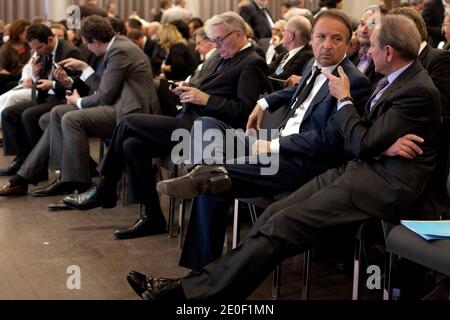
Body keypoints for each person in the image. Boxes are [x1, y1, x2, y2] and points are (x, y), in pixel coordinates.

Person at [127, 14, 442, 301]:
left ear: (388, 52)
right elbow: (365, 136)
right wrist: (380, 144)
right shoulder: (389, 79)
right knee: (266, 211)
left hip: (370, 182)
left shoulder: (395, 87)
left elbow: (353, 141)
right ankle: (203, 280)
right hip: (355, 167)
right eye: (320, 37)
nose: (365, 50)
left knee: (271, 219)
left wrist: (352, 115)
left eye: (368, 45)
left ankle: (190, 292)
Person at [156, 10, 371, 272]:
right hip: (273, 144)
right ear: (312, 38)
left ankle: (201, 269)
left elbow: (328, 141)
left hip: (301, 160)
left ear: (349, 44)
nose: (327, 45)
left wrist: (272, 145)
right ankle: (203, 175)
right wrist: (264, 102)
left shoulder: (355, 83)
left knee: (213, 181)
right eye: (321, 36)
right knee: (208, 125)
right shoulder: (311, 65)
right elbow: (299, 88)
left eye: (336, 39)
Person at [61, 12, 271, 240]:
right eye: (214, 41)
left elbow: (245, 113)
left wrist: (205, 99)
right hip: (190, 123)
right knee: (133, 144)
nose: (216, 45)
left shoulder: (252, 61)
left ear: (238, 34)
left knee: (129, 122)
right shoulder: (223, 57)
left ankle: (105, 189)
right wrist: (187, 89)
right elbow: (208, 89)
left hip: (212, 134)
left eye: (219, 40)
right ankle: (152, 217)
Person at [0, 15, 159, 198]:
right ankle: (56, 178)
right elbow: (104, 88)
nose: (87, 48)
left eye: (87, 44)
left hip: (129, 112)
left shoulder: (119, 51)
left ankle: (76, 182)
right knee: (58, 112)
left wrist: (78, 102)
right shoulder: (118, 47)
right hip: (121, 104)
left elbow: (105, 95)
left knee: (70, 117)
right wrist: (84, 68)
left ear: (96, 40)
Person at [0, 23, 83, 177]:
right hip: (46, 96)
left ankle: (38, 167)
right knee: (8, 113)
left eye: (38, 48)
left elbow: (80, 84)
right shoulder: (43, 51)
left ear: (50, 40)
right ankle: (21, 158)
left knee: (29, 115)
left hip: (62, 98)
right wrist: (35, 75)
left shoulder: (70, 51)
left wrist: (53, 84)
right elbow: (39, 84)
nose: (36, 52)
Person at [268, 16, 314, 90]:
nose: (282, 34)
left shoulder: (306, 55)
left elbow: (284, 77)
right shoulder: (285, 54)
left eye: (284, 31)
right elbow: (271, 69)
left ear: (291, 35)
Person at [349, 7, 383, 86]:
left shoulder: (382, 62)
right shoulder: (352, 52)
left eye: (371, 26)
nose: (364, 30)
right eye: (362, 24)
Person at [0, 20, 31, 95]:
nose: (29, 34)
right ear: (18, 33)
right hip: (11, 76)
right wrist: (13, 76)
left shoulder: (30, 45)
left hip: (27, 75)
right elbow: (1, 69)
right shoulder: (6, 48)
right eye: (26, 32)